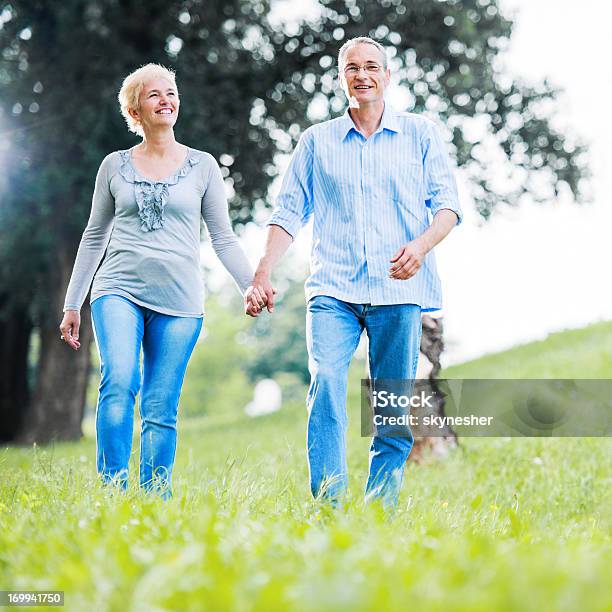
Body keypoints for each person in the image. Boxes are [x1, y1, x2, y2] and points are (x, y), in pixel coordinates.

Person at [245, 37, 462, 508]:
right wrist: (262, 270)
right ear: (341, 77)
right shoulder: (316, 142)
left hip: (398, 288)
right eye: (351, 68)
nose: (362, 75)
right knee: (325, 382)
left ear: (387, 76)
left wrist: (421, 246)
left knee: (391, 406)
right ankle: (330, 504)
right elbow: (287, 213)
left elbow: (448, 207)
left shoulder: (419, 135)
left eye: (371, 67)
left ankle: (379, 508)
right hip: (334, 289)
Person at [60, 63, 252, 497]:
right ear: (135, 109)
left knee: (160, 406)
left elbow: (222, 237)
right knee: (120, 380)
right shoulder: (114, 166)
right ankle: (112, 490)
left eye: (172, 92)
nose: (166, 100)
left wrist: (249, 285)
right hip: (117, 289)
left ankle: (153, 500)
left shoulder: (203, 167)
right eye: (154, 94)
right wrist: (74, 302)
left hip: (181, 301)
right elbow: (94, 236)